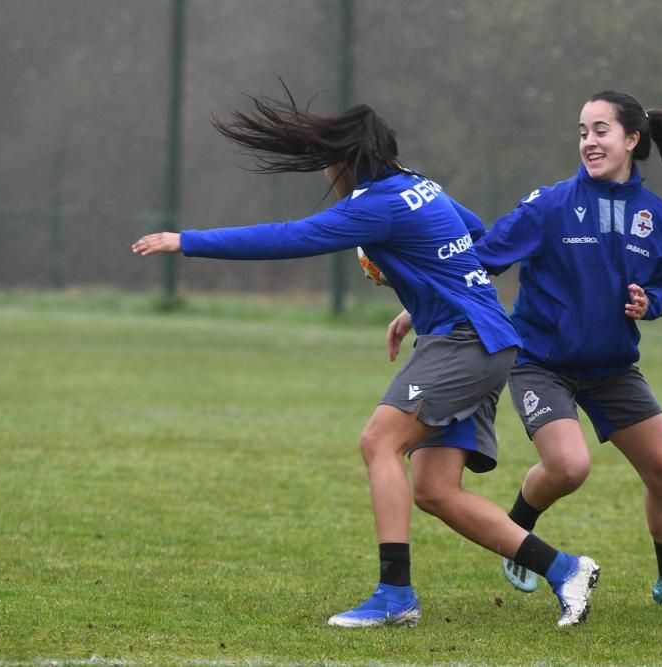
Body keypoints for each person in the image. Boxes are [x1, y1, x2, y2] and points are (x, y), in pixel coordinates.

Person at [131, 87, 600, 627]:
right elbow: (470, 229)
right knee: (436, 490)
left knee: (378, 440)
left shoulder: (374, 205)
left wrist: (185, 240)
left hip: (464, 341)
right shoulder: (419, 185)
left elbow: (291, 237)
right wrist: (426, 289)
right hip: (484, 336)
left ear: (344, 162)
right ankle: (565, 569)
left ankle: (395, 596)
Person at [473, 90, 662, 610]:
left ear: (632, 139)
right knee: (569, 468)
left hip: (612, 369)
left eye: (600, 130)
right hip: (542, 364)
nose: (589, 141)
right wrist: (421, 304)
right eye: (583, 131)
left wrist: (647, 301)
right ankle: (517, 532)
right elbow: (481, 262)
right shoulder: (549, 206)